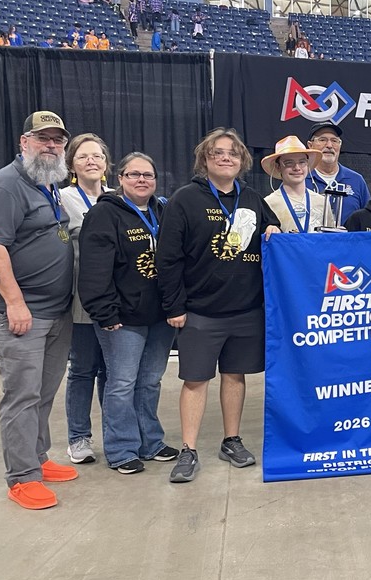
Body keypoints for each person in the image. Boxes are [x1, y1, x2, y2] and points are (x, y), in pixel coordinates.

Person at [156, 128, 281, 483]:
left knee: (234, 376)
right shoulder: (185, 199)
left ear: (242, 161)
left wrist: (273, 232)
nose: (226, 158)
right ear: (204, 159)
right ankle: (189, 449)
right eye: (217, 153)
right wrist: (174, 306)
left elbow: (273, 237)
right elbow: (168, 258)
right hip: (199, 310)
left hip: (245, 311)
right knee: (195, 380)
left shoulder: (253, 198)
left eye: (233, 153)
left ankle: (231, 440)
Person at [0, 111, 78, 509]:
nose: (50, 146)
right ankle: (21, 477)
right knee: (20, 394)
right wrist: (15, 303)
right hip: (17, 311)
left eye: (57, 140)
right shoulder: (5, 184)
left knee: (43, 391)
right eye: (42, 139)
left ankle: (37, 457)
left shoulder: (48, 183)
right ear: (24, 142)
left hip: (55, 310)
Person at [78, 152, 180, 474]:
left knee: (150, 382)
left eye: (147, 175)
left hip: (160, 316)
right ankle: (122, 450)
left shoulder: (163, 211)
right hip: (122, 318)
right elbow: (94, 269)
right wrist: (104, 312)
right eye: (134, 175)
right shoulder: (105, 214)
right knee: (121, 383)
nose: (141, 180)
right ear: (120, 178)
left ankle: (150, 442)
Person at [60, 134, 112, 465]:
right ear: (71, 165)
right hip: (81, 297)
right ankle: (78, 437)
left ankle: (116, 433)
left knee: (112, 370)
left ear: (107, 164)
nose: (91, 161)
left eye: (97, 156)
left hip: (115, 299)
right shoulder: (62, 198)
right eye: (83, 156)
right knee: (82, 368)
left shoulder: (118, 198)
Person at [305, 121, 369, 225]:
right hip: (310, 241)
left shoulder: (356, 180)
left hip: (348, 241)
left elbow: (368, 219)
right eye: (322, 140)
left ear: (340, 145)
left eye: (334, 141)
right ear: (310, 145)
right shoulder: (300, 179)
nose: (329, 145)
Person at [262, 136, 327, 233]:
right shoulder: (268, 203)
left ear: (308, 164)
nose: (297, 168)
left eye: (302, 162)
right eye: (288, 163)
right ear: (278, 167)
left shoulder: (322, 202)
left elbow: (331, 239)